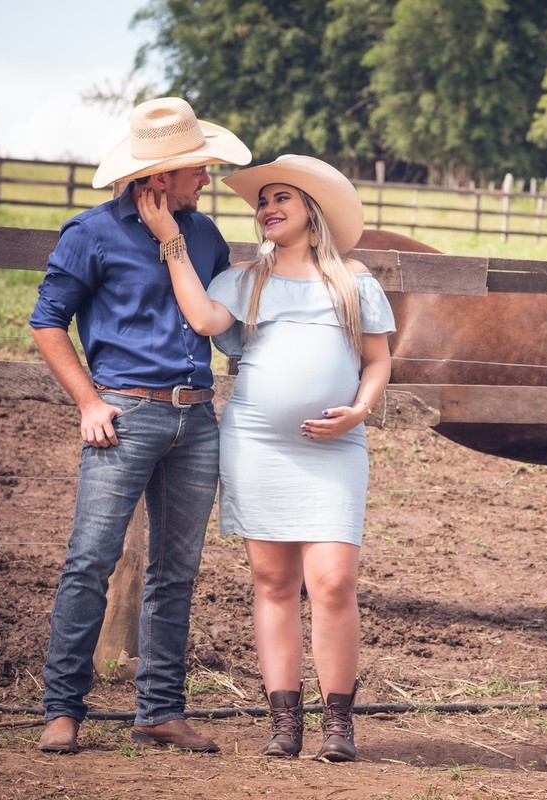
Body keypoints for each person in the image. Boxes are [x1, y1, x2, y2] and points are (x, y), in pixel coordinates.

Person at [137, 154, 394, 762]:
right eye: (262, 201)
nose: (268, 208)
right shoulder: (246, 279)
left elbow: (378, 360)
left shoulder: (352, 280)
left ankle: (338, 726)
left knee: (334, 581)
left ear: (312, 210)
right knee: (274, 582)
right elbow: (203, 320)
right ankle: (284, 724)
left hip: (335, 448)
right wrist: (172, 241)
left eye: (282, 198)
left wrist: (359, 411)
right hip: (257, 445)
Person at [29, 97, 251, 754]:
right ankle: (63, 710)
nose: (206, 178)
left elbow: (221, 319)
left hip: (197, 419)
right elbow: (47, 321)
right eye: (197, 169)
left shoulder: (204, 235)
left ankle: (160, 710)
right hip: (124, 415)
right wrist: (88, 403)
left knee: (176, 571)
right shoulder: (91, 233)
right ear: (159, 176)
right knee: (90, 561)